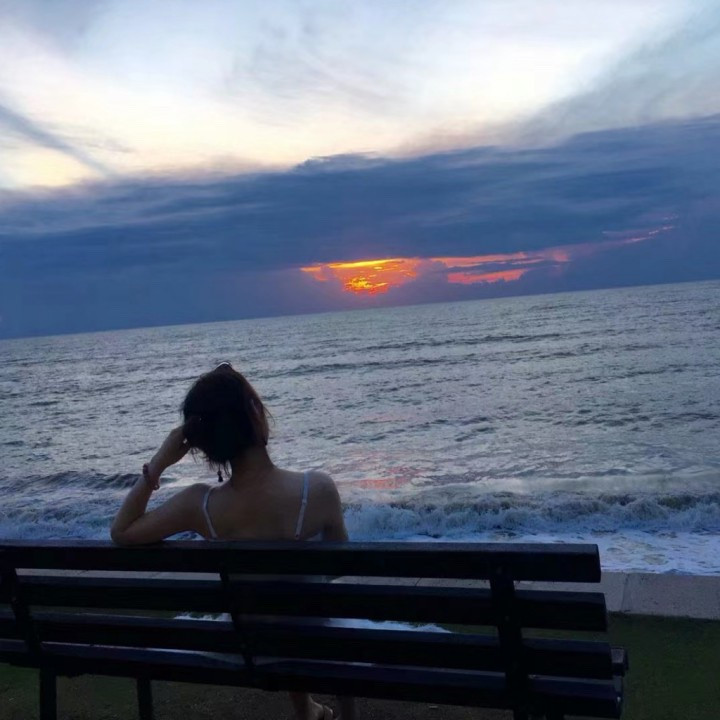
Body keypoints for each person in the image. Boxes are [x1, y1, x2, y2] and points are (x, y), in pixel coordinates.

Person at [111, 362, 354, 720]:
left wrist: (159, 462)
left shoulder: (199, 504)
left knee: (273, 610)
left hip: (247, 646)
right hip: (314, 644)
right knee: (306, 605)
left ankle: (307, 710)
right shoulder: (317, 490)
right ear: (255, 414)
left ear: (206, 444)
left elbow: (122, 531)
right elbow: (340, 567)